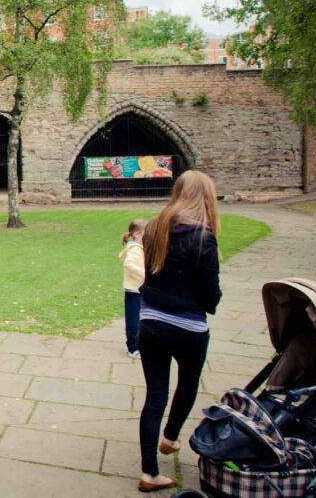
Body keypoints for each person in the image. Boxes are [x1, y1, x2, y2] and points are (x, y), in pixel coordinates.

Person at [137, 170, 222, 493]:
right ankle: (171, 438)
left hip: (151, 321)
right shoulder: (203, 236)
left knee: (155, 395)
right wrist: (209, 301)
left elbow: (151, 273)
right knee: (187, 384)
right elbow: (210, 292)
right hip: (188, 325)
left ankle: (149, 473)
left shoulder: (155, 228)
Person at [120, 218, 147, 358]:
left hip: (138, 288)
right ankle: (132, 348)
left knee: (140, 318)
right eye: (145, 233)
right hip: (133, 289)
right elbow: (128, 264)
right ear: (137, 234)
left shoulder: (139, 248)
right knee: (133, 320)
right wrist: (144, 275)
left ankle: (138, 345)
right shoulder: (135, 249)